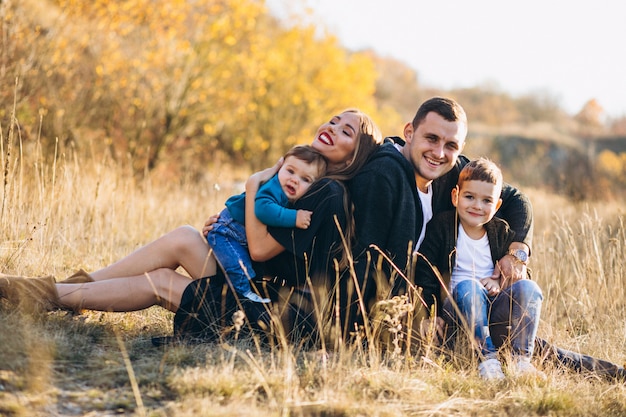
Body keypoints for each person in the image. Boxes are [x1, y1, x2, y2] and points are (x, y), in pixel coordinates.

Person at [0, 109, 383, 345]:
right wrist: (230, 225)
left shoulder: (329, 194)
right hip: (250, 279)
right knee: (185, 236)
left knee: (162, 280)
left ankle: (50, 295)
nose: (333, 127)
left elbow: (263, 249)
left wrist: (251, 188)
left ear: (355, 155)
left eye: (347, 131)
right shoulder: (307, 177)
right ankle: (62, 290)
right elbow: (260, 236)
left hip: (264, 305)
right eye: (334, 119)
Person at [343, 97, 532, 337]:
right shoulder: (383, 176)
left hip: (452, 310)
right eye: (431, 138)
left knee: (530, 344)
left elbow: (517, 199)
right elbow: (367, 264)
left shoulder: (451, 172)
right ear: (409, 132)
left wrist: (518, 253)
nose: (439, 152)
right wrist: (414, 320)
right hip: (393, 319)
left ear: (460, 148)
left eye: (451, 145)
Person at [414, 158, 544, 381]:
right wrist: (429, 314)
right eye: (469, 197)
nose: (477, 206)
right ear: (455, 196)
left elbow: (520, 278)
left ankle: (521, 360)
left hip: (494, 313)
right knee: (469, 286)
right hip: (456, 314)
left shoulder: (501, 232)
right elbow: (425, 273)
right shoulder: (442, 226)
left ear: (497, 206)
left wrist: (499, 282)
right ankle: (487, 360)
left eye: (486, 201)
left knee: (530, 288)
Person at [207, 145, 327, 304]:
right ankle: (243, 296)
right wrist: (295, 217)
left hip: (238, 235)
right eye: (290, 171)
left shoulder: (289, 195)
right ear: (279, 168)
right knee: (239, 267)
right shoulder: (273, 186)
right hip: (227, 231)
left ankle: (239, 295)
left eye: (305, 179)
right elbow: (263, 210)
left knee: (246, 268)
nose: (294, 179)